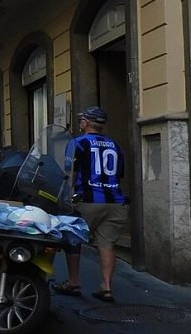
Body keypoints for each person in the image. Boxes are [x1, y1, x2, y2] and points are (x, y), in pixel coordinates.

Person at [53, 106, 129, 303]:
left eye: (82, 120)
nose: (80, 123)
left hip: (87, 201)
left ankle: (74, 283)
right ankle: (106, 287)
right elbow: (119, 175)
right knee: (107, 244)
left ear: (86, 123)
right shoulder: (115, 145)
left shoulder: (78, 143)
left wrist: (66, 197)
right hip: (115, 202)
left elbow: (71, 174)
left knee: (73, 239)